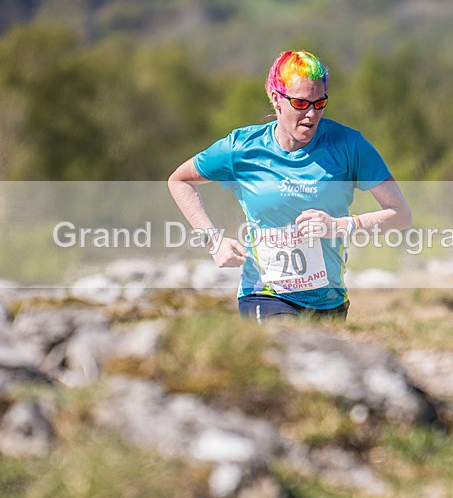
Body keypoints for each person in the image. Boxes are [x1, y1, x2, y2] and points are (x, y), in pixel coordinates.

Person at [168, 50, 411, 321]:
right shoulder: (241, 148)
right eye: (300, 103)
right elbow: (180, 180)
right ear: (276, 99)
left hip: (329, 299)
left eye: (319, 104)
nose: (310, 115)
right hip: (264, 293)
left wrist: (341, 225)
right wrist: (213, 240)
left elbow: (400, 214)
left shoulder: (349, 145)